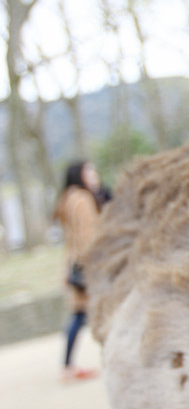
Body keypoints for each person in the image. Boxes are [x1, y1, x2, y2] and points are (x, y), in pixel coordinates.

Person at [53, 161, 107, 381]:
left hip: (73, 264)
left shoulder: (67, 199)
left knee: (80, 315)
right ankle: (69, 366)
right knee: (87, 313)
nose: (94, 175)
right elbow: (87, 235)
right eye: (90, 171)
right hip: (87, 267)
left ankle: (67, 365)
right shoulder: (83, 199)